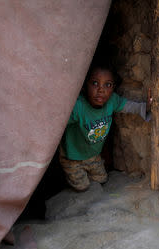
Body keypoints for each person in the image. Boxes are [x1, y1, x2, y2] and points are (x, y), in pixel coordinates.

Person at [59, 58, 152, 191]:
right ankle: (68, 174)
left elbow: (128, 106)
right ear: (85, 85)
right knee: (82, 187)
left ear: (113, 87)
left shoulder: (112, 101)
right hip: (73, 157)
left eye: (107, 85)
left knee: (102, 179)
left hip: (93, 155)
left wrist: (146, 107)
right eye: (95, 83)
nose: (101, 90)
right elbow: (54, 127)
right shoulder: (77, 107)